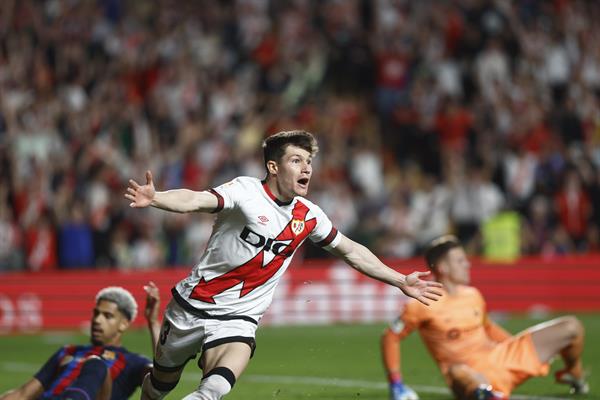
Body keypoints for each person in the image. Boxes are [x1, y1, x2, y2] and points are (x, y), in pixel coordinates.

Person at [124, 130, 444, 400]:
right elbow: (196, 199)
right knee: (159, 387)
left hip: (240, 318)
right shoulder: (245, 191)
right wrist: (157, 198)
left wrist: (399, 279)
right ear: (273, 167)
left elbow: (351, 251)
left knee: (215, 388)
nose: (306, 168)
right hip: (190, 307)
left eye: (309, 162)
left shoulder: (309, 215)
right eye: (296, 160)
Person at [381, 235, 589, 400]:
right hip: (469, 375)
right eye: (460, 260)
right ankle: (488, 394)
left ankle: (572, 373)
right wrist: (396, 384)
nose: (468, 264)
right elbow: (391, 336)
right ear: (443, 267)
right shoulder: (421, 303)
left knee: (572, 327)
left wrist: (516, 345)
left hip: (500, 359)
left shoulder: (473, 295)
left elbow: (488, 328)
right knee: (457, 370)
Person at [0, 282, 161, 400]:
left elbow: (161, 378)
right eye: (96, 313)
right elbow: (23, 394)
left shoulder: (131, 361)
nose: (97, 320)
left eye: (107, 316)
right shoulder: (68, 351)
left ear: (124, 323)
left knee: (95, 365)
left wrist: (153, 323)